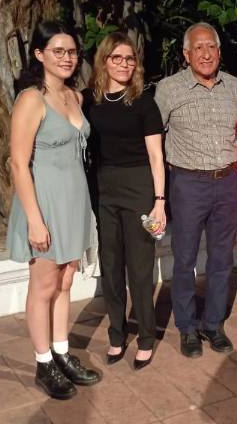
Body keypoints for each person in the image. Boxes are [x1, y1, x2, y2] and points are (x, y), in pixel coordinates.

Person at [6, 20, 100, 399]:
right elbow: (17, 163)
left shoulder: (75, 98)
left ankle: (62, 353)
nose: (66, 58)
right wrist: (34, 219)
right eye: (57, 51)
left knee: (65, 282)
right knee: (43, 286)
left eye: (72, 51)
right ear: (40, 55)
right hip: (44, 203)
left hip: (74, 202)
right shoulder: (32, 98)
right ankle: (43, 362)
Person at [154, 22, 237, 358]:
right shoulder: (168, 89)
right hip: (187, 183)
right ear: (186, 54)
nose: (206, 54)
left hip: (227, 182)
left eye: (212, 47)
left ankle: (214, 324)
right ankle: (187, 327)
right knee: (185, 258)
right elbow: (154, 138)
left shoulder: (235, 87)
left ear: (219, 52)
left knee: (222, 258)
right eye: (199, 48)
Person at [86, 32, 165, 371]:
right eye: (117, 58)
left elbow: (156, 156)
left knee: (140, 266)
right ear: (104, 61)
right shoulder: (88, 101)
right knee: (111, 265)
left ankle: (146, 337)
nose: (124, 64)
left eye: (130, 59)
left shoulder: (145, 102)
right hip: (104, 188)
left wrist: (160, 201)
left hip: (139, 188)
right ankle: (117, 334)